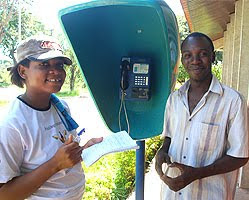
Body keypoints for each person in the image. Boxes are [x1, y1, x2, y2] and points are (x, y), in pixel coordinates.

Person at [0, 36, 103, 200]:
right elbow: (4, 194)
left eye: (59, 65)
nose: (56, 71)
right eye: (44, 64)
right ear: (23, 71)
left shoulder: (60, 106)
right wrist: (55, 164)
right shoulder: (11, 123)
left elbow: (61, 154)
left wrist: (84, 150)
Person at [155, 32, 249, 200]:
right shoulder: (174, 99)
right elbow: (169, 136)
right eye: (188, 55)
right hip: (172, 194)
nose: (195, 61)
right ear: (182, 61)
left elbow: (240, 156)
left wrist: (197, 173)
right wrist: (162, 151)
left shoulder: (233, 101)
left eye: (203, 54)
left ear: (212, 57)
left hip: (210, 195)